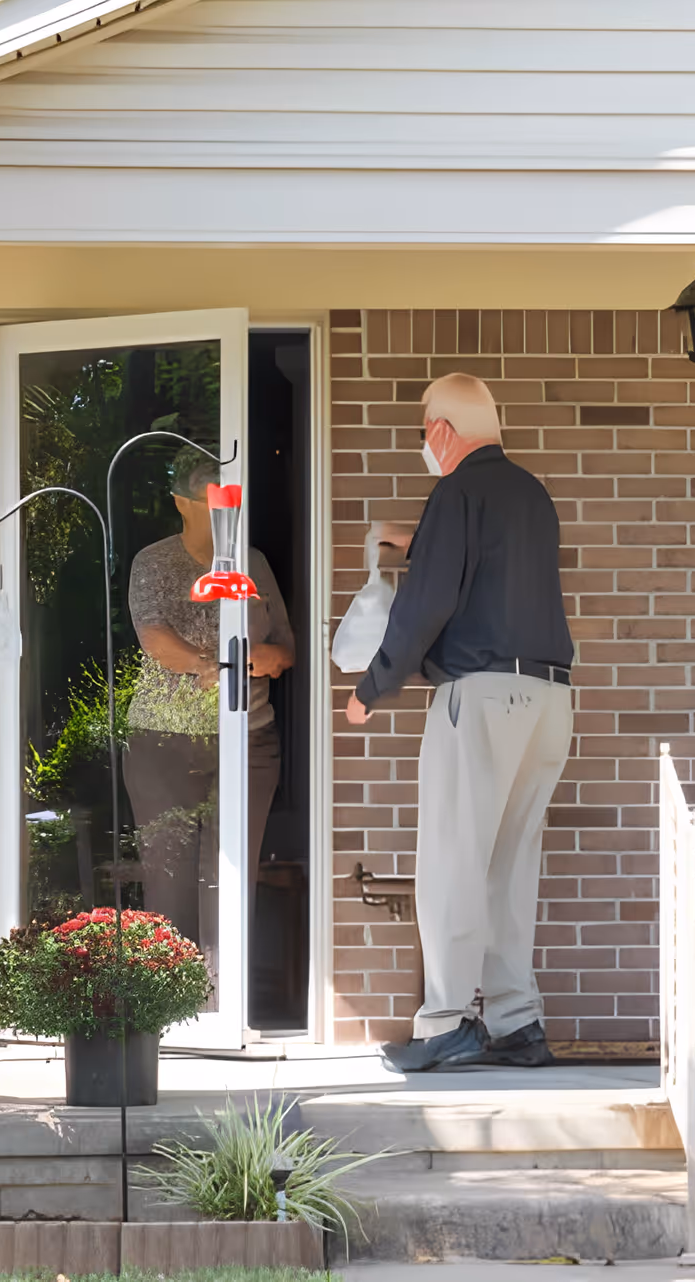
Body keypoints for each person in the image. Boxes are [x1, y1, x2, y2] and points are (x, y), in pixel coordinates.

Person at [348, 373, 575, 1072]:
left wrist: (372, 686)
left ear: (442, 432)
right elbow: (487, 567)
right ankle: (516, 1021)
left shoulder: (455, 491)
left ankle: (445, 1023)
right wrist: (419, 537)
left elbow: (430, 602)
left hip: (478, 697)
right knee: (512, 865)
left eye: (424, 433)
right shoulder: (531, 495)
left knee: (451, 861)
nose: (425, 446)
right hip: (549, 699)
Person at [124, 447, 295, 949]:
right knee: (169, 873)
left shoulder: (254, 564)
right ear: (182, 503)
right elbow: (154, 638)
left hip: (249, 736)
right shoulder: (154, 561)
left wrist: (269, 656)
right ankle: (173, 1002)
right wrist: (210, 667)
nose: (226, 508)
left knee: (231, 869)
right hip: (164, 742)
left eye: (231, 499)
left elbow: (287, 647)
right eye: (212, 499)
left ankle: (224, 1000)